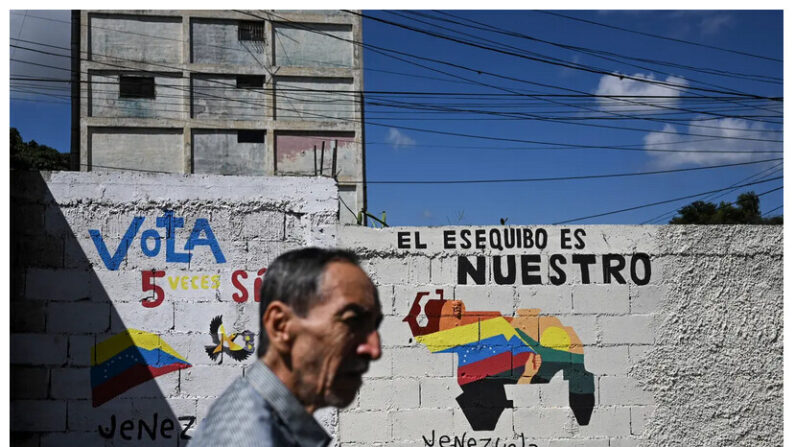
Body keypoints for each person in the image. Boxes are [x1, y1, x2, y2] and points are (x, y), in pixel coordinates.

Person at [189, 248, 382, 446]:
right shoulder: (251, 439)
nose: (374, 349)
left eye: (375, 325)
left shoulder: (262, 423)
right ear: (280, 326)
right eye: (352, 321)